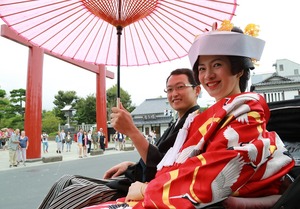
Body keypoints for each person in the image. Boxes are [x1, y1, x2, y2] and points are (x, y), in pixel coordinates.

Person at [84, 21, 295, 208]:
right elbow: (175, 164)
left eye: (217, 64)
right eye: (202, 68)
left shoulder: (247, 110)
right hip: (165, 189)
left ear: (238, 69)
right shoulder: (199, 119)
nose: (208, 75)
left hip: (187, 197)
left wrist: (148, 190)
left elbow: (217, 172)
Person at [38, 68, 200, 209]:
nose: (174, 94)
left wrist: (132, 131)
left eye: (180, 87)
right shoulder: (179, 121)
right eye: (169, 89)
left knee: (71, 191)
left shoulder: (196, 123)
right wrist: (132, 164)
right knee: (66, 180)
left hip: (141, 186)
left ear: (197, 90)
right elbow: (160, 157)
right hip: (135, 175)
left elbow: (164, 167)